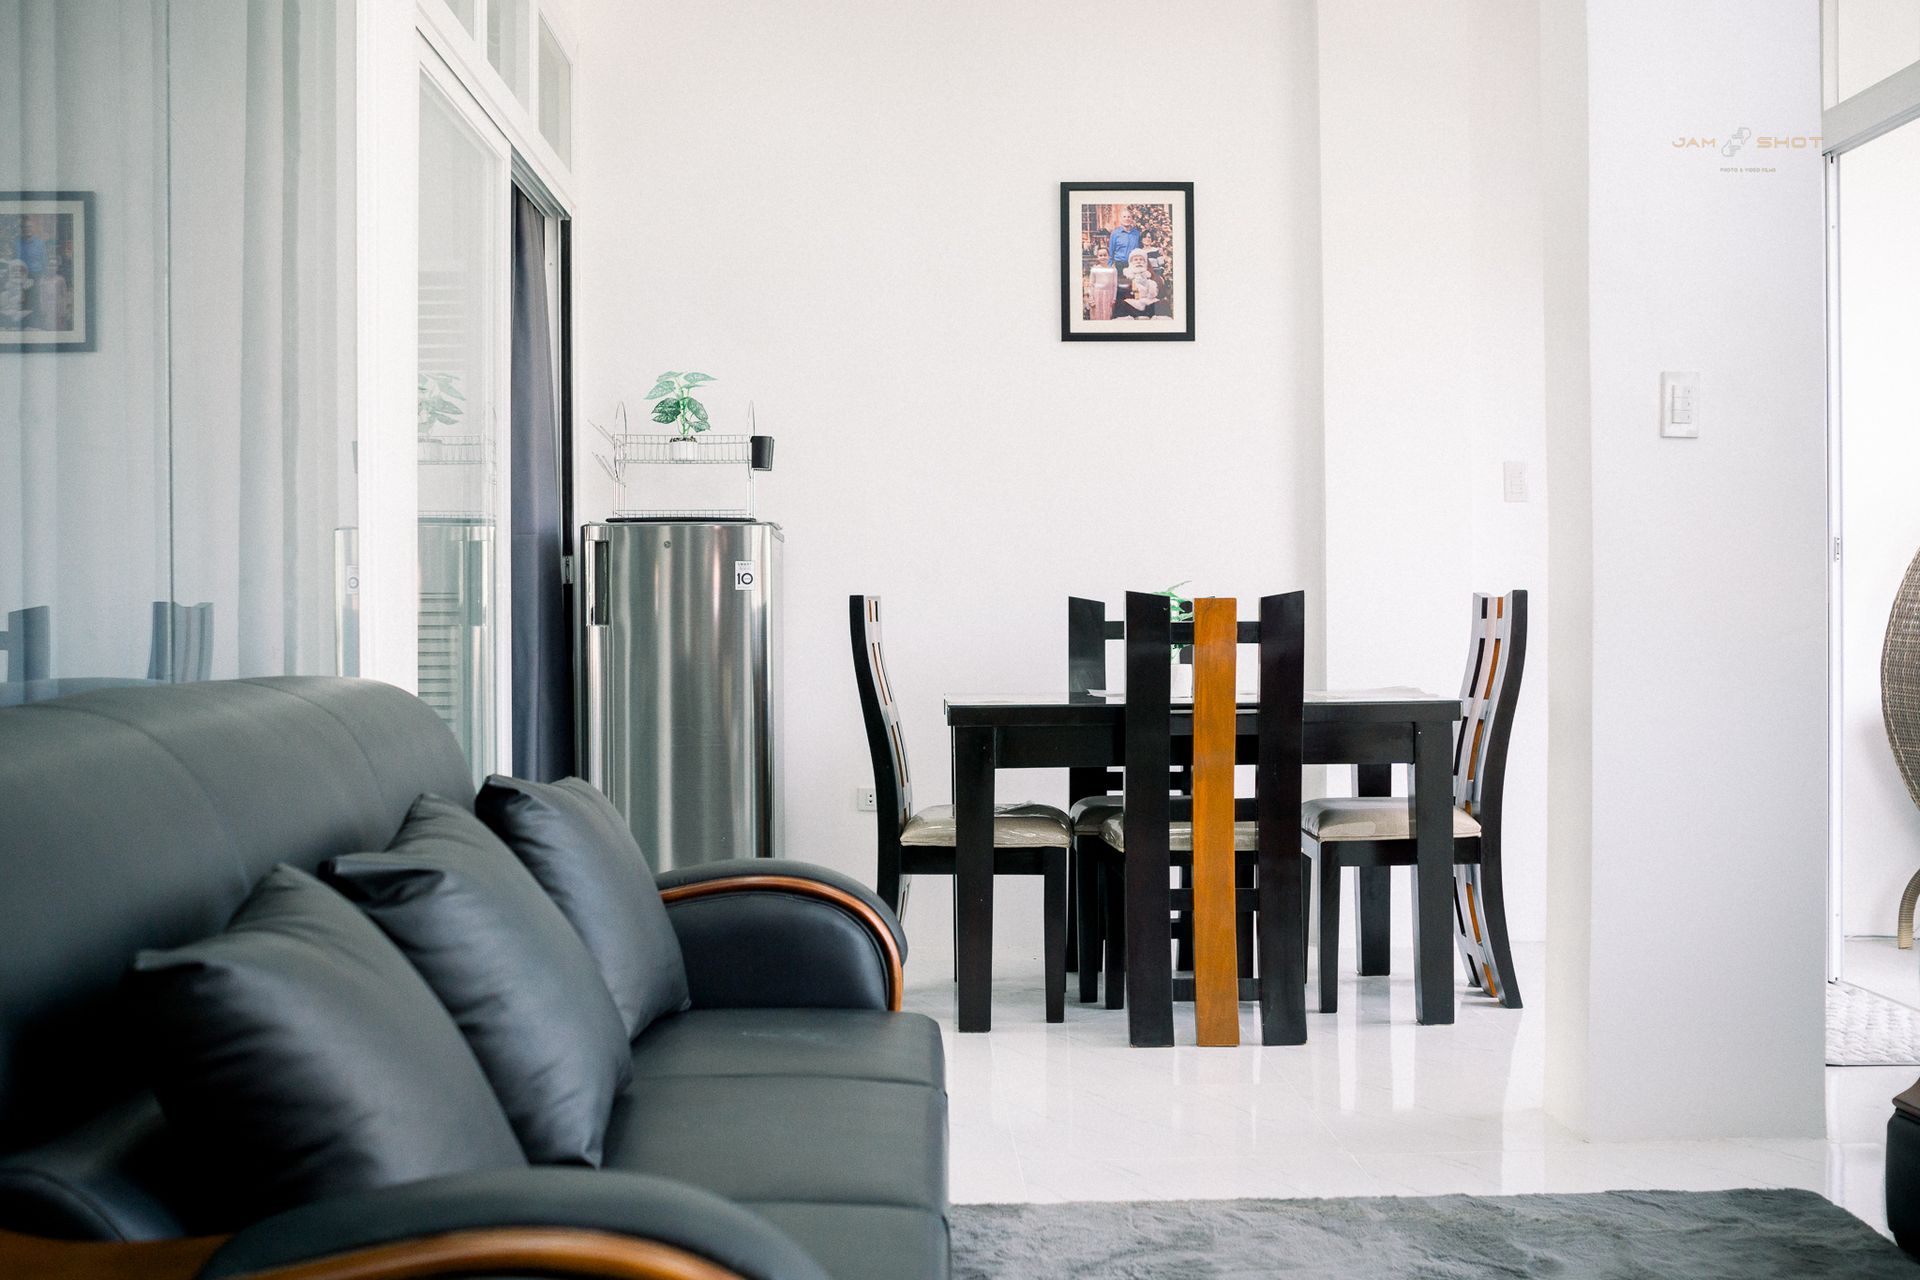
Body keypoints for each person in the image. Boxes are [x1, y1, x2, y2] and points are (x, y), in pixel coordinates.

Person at [1120, 248, 1159, 317]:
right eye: (1136, 260)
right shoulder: (1126, 275)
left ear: (1145, 262)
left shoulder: (1149, 275)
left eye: (1141, 259)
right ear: (1131, 262)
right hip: (1131, 303)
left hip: (1148, 302)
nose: (1139, 262)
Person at [1107, 208, 1142, 280]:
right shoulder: (1115, 233)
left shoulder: (1137, 233)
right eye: (1124, 217)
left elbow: (1140, 249)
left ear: (1132, 219)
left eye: (1129, 217)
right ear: (1120, 219)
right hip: (1119, 265)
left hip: (1134, 265)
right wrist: (1109, 267)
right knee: (1121, 288)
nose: (1127, 219)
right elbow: (1111, 251)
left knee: (1134, 288)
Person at [1087, 242, 1118, 321]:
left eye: (1105, 255)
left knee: (1106, 315)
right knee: (1096, 315)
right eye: (1100, 255)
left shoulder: (1113, 270)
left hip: (1108, 295)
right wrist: (1091, 299)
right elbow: (1091, 285)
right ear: (1097, 257)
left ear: (1109, 256)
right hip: (1096, 295)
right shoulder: (1094, 269)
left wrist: (1113, 298)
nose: (1103, 257)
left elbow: (1114, 285)